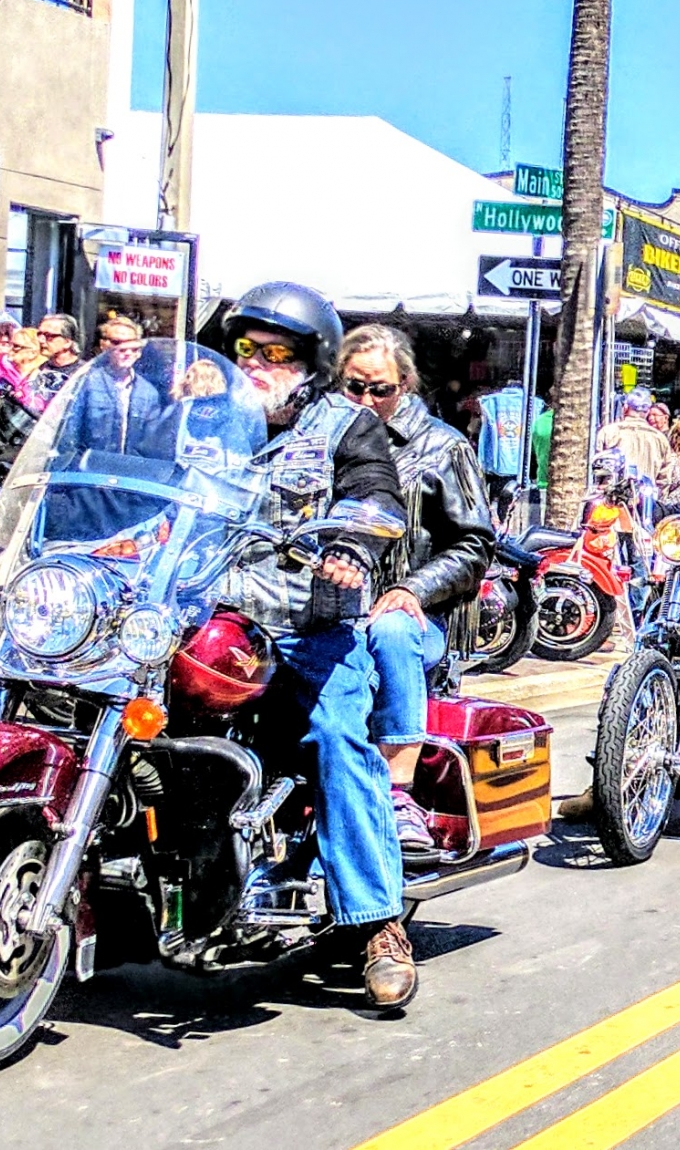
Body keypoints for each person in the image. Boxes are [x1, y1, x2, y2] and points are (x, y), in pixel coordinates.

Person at [223, 282, 414, 1009]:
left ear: (312, 361)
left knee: (339, 736)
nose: (258, 364)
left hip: (306, 627)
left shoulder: (346, 427)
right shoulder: (205, 421)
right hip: (200, 613)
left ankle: (376, 922)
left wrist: (353, 546)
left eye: (276, 353)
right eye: (249, 350)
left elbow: (376, 495)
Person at [341, 326, 496, 860]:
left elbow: (475, 544)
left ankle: (398, 791)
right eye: (353, 387)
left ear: (404, 385)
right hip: (326, 610)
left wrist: (411, 588)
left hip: (415, 621)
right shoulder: (316, 439)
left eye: (379, 388)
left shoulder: (442, 446)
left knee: (391, 629)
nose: (365, 399)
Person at [62, 318, 162, 456]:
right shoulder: (85, 382)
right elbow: (69, 435)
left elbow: (150, 443)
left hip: (128, 471)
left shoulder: (148, 392)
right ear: (104, 345)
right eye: (118, 343)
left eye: (133, 347)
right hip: (89, 470)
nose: (126, 352)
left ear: (139, 352)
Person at [596, 388, 669, 511]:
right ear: (647, 412)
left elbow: (597, 469)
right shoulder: (660, 439)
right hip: (645, 507)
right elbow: (664, 480)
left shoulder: (609, 432)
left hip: (611, 506)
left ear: (625, 408)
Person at [28, 314, 83, 409]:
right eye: (39, 334)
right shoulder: (38, 370)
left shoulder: (83, 374)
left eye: (48, 336)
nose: (41, 340)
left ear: (67, 342)